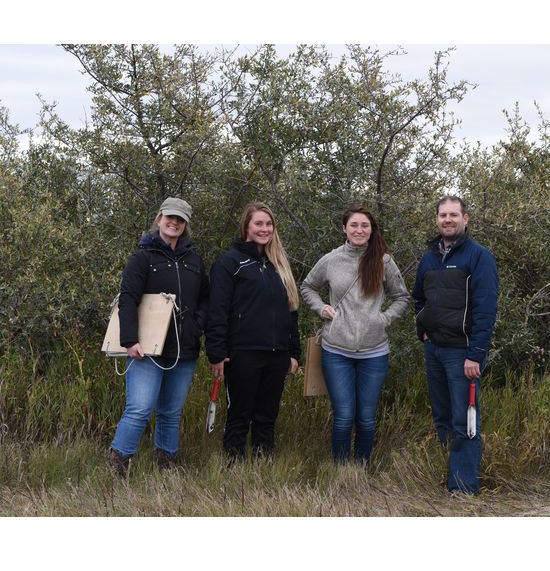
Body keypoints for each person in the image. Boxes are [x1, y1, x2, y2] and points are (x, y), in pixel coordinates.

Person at [300, 203, 409, 465]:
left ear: (372, 229)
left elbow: (402, 297)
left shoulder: (384, 261)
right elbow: (307, 287)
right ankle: (342, 472)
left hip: (374, 352)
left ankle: (360, 470)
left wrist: (383, 319)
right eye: (354, 225)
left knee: (367, 419)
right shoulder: (332, 259)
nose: (359, 230)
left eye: (365, 225)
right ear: (344, 228)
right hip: (336, 351)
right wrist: (321, 308)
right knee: (344, 417)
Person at [109, 197, 209, 476]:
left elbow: (206, 299)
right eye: (170, 217)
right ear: (160, 218)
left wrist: (196, 325)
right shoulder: (142, 257)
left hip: (184, 349)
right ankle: (118, 466)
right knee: (139, 409)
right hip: (146, 349)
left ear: (185, 224)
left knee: (170, 412)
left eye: (180, 219)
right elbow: (128, 298)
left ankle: (166, 468)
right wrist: (129, 340)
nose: (174, 223)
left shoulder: (194, 261)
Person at [412, 195, 499, 494]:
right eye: (443, 215)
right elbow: (419, 298)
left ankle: (463, 489)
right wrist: (423, 330)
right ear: (437, 219)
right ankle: (445, 473)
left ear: (465, 218)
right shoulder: (429, 257)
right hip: (434, 349)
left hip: (463, 354)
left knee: (465, 420)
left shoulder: (478, 256)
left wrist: (476, 354)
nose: (447, 220)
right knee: (442, 417)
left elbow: (486, 309)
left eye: (453, 215)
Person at [205, 202, 301, 461]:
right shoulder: (229, 263)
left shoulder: (278, 264)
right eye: (258, 223)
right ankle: (234, 467)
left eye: (269, 224)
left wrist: (294, 352)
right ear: (246, 226)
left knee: (267, 416)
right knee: (239, 415)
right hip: (243, 353)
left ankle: (263, 466)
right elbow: (217, 311)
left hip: (277, 353)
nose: (264, 229)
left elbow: (291, 311)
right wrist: (216, 353)